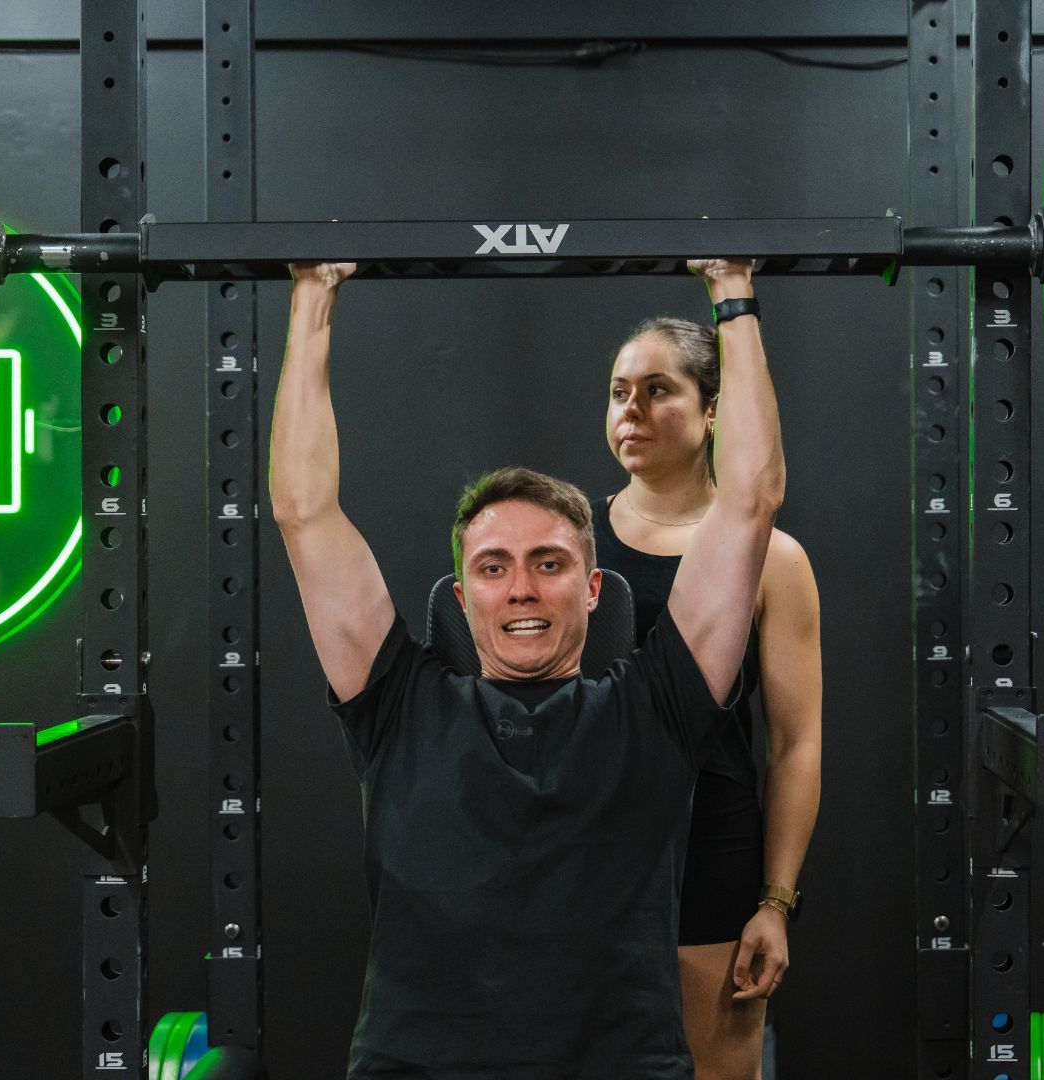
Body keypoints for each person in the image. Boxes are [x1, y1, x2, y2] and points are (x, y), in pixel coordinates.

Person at [268, 257, 784, 1079]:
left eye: (548, 563)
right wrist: (313, 294)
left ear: (592, 588)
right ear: (461, 594)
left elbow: (749, 502)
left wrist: (733, 291)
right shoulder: (398, 706)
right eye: (493, 568)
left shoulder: (657, 708)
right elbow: (303, 511)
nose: (520, 590)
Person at [598, 314, 822, 1079]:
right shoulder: (566, 547)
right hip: (585, 857)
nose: (631, 410)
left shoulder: (774, 560)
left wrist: (775, 902)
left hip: (712, 857)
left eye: (658, 390)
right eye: (619, 391)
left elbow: (798, 744)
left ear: (714, 410)